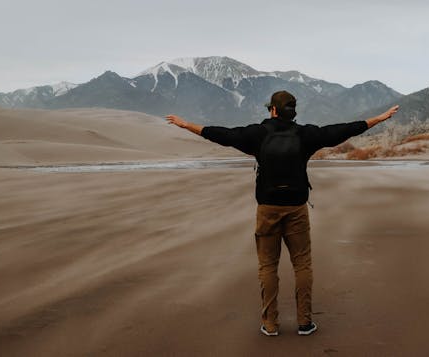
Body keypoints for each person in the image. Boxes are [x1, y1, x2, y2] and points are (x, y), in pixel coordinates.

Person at [166, 90, 399, 337]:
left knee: (268, 265)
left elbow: (221, 134)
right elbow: (343, 130)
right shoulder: (306, 134)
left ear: (273, 110)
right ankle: (305, 323)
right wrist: (379, 118)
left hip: (267, 209)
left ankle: (270, 324)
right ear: (293, 111)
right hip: (297, 208)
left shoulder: (257, 134)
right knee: (302, 264)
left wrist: (186, 125)